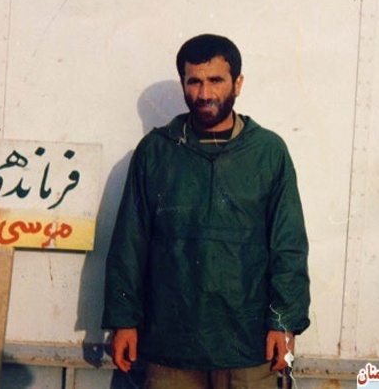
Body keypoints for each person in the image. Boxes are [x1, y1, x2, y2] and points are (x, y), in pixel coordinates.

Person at [102, 33, 310, 389]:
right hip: (170, 345)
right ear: (183, 83)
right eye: (194, 81)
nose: (204, 93)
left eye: (216, 80)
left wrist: (283, 320)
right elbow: (129, 242)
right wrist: (124, 321)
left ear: (238, 83)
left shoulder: (267, 152)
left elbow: (288, 244)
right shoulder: (156, 151)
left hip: (249, 346)